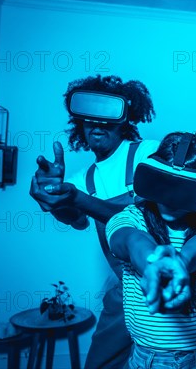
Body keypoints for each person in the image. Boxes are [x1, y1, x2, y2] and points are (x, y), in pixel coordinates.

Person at [29, 75, 158, 368]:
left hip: (170, 283)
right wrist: (53, 199)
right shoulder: (81, 181)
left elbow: (146, 218)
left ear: (124, 118)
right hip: (126, 291)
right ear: (80, 123)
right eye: (89, 118)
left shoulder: (149, 153)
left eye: (106, 116)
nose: (97, 124)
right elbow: (75, 220)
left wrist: (77, 199)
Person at [105, 131, 196, 369]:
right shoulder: (130, 218)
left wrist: (182, 262)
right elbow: (131, 240)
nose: (170, 200)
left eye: (184, 189)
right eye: (164, 184)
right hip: (151, 359)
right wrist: (153, 264)